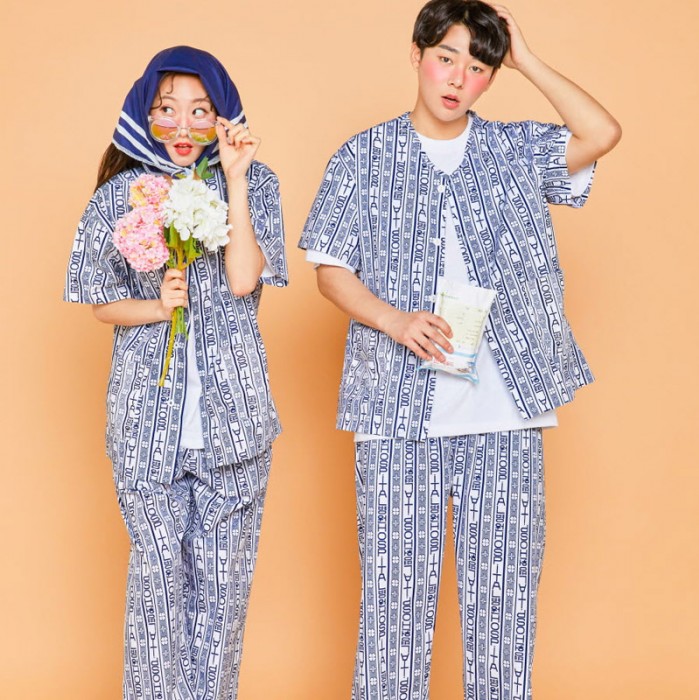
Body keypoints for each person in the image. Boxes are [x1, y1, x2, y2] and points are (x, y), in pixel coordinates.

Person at [299, 1, 620, 698]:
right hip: (394, 414)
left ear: (491, 79)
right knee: (394, 611)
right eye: (446, 59)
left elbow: (602, 132)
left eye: (477, 68)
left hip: (506, 415)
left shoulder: (516, 150)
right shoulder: (362, 156)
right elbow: (329, 268)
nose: (457, 79)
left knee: (505, 610)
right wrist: (393, 321)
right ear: (416, 55)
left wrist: (525, 58)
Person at [65, 46, 287, 699]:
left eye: (200, 110)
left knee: (221, 598)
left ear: (222, 116)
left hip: (235, 426)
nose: (183, 126)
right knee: (157, 591)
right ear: (145, 112)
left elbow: (244, 280)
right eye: (168, 109)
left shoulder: (258, 183)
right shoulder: (119, 195)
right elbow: (99, 300)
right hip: (145, 427)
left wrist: (236, 181)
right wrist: (158, 308)